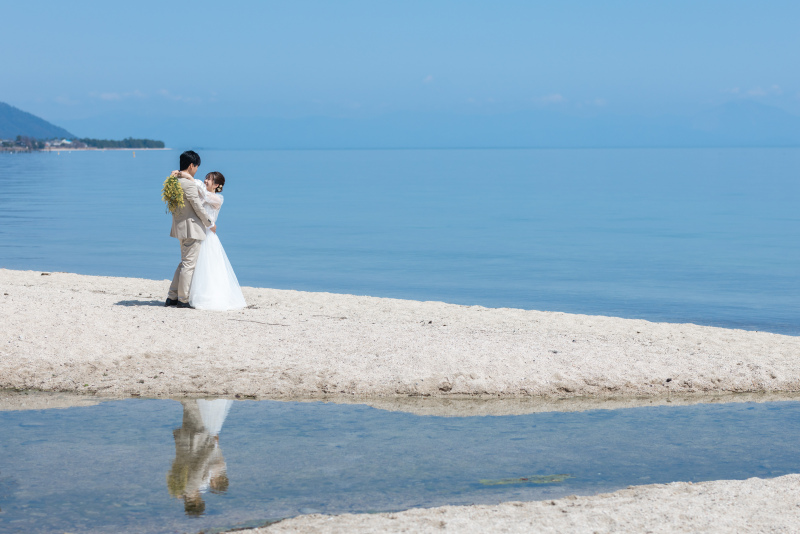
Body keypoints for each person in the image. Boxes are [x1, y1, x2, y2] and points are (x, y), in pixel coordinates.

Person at [186, 171, 247, 310]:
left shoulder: (218, 198)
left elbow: (205, 195)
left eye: (209, 179)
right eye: (206, 178)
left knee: (209, 267)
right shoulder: (201, 193)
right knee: (195, 265)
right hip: (198, 232)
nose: (206, 180)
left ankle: (209, 296)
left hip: (208, 236)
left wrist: (190, 177)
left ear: (217, 185)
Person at [165, 151, 216, 308]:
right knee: (188, 265)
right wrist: (209, 222)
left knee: (183, 263)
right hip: (191, 228)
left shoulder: (172, 182)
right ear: (191, 165)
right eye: (196, 167)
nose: (197, 170)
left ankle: (172, 297)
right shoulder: (188, 184)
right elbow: (198, 206)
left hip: (180, 226)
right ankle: (183, 299)